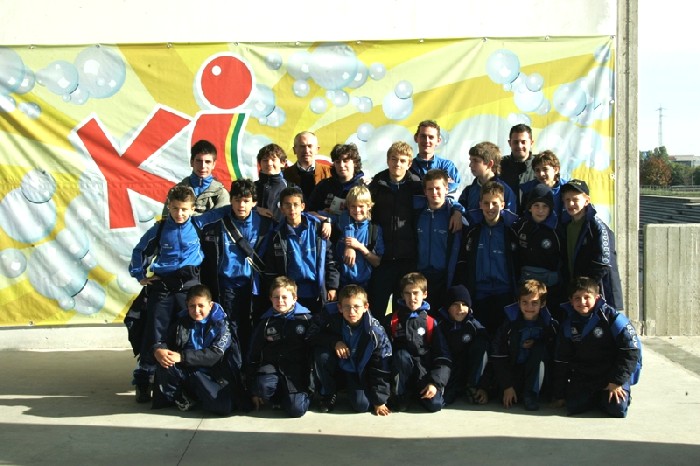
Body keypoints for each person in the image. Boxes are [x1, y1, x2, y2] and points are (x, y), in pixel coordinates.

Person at [129, 185, 203, 402]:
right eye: (175, 208)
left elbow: (231, 211)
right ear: (168, 207)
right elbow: (140, 250)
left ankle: (186, 379)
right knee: (154, 334)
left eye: (184, 209)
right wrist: (140, 275)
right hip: (162, 288)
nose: (179, 214)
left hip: (189, 288)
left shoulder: (200, 225)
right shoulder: (159, 229)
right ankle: (144, 379)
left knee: (188, 334)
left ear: (192, 209)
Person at [197, 179, 273, 359]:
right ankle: (236, 367)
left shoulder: (265, 224)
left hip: (255, 287)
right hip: (227, 286)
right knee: (231, 327)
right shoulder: (218, 223)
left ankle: (251, 364)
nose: (241, 205)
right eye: (237, 200)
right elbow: (194, 222)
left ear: (254, 202)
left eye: (246, 201)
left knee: (255, 326)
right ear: (231, 200)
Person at [552, 276, 641, 418]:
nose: (582, 302)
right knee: (573, 407)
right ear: (570, 300)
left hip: (611, 374)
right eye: (577, 298)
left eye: (587, 297)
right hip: (586, 376)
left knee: (617, 410)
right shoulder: (568, 324)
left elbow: (630, 351)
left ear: (597, 298)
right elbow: (562, 359)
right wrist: (559, 394)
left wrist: (616, 381)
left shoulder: (613, 318)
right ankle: (597, 396)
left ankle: (616, 393)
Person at [152, 285, 237, 415]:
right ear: (187, 305)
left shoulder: (222, 324)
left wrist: (182, 357)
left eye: (201, 306)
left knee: (222, 408)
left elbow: (215, 355)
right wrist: (158, 350)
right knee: (165, 362)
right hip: (187, 371)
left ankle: (201, 396)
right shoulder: (181, 321)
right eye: (192, 306)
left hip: (211, 374)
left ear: (210, 305)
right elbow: (163, 341)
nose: (196, 310)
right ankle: (180, 397)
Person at [307, 285, 393, 415]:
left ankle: (350, 387)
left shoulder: (375, 332)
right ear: (339, 307)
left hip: (358, 371)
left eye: (356, 307)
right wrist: (333, 342)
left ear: (366, 307)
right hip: (336, 365)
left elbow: (380, 366)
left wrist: (379, 400)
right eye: (346, 307)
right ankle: (328, 393)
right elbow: (310, 336)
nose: (351, 312)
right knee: (322, 355)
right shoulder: (329, 315)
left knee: (361, 406)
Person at [455, 181, 519, 336]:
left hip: (504, 292)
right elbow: (464, 262)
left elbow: (518, 263)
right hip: (480, 293)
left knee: (502, 336)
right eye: (486, 203)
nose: (490, 208)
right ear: (480, 204)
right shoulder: (473, 231)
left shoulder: (512, 231)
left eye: (494, 203)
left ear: (503, 205)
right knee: (482, 335)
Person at [264, 186, 339, 314]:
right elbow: (272, 268)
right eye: (287, 205)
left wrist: (332, 286)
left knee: (318, 328)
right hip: (290, 294)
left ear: (303, 206)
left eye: (295, 205)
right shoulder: (276, 235)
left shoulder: (318, 229)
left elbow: (330, 259)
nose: (292, 209)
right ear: (281, 208)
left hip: (318, 291)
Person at [247, 276, 313, 418]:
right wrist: (253, 390)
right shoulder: (265, 322)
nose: (280, 301)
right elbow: (254, 352)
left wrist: (312, 382)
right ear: (270, 298)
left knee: (296, 410)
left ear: (294, 298)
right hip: (272, 367)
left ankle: (301, 395)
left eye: (284, 297)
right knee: (262, 388)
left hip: (296, 370)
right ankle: (278, 395)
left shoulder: (306, 320)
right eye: (276, 297)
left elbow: (314, 350)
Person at [387, 272, 451, 413]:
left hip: (424, 374)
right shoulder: (393, 320)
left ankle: (420, 393)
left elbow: (443, 357)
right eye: (407, 293)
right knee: (401, 355)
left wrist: (435, 383)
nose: (412, 298)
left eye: (416, 293)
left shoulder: (431, 323)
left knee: (435, 405)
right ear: (402, 295)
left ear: (425, 294)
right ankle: (401, 394)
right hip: (402, 372)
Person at [491, 279, 558, 411]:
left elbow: (556, 353)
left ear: (542, 304)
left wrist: (537, 343)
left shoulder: (549, 325)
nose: (529, 307)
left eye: (534, 303)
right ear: (518, 302)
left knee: (539, 350)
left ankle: (531, 395)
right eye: (525, 302)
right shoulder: (509, 324)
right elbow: (498, 355)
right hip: (514, 372)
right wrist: (507, 386)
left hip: (539, 375)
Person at [558, 179, 624, 310]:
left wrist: (585, 287)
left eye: (575, 200)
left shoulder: (597, 227)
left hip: (597, 294)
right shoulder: (566, 226)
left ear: (586, 200)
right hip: (576, 293)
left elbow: (604, 262)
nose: (571, 204)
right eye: (567, 200)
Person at [512, 183, 565, 321]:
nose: (540, 210)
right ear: (530, 207)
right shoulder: (521, 226)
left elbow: (563, 258)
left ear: (550, 209)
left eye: (545, 206)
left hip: (549, 288)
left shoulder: (557, 230)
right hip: (526, 286)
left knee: (548, 321)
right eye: (536, 205)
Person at [415, 169, 463, 313]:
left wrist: (459, 210)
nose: (434, 192)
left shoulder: (454, 215)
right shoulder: (417, 213)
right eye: (430, 189)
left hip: (444, 276)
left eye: (438, 188)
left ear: (446, 189)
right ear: (425, 191)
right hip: (421, 276)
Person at [436, 285, 489, 405]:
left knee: (482, 344)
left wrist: (484, 386)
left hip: (468, 368)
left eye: (464, 304)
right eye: (455, 304)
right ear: (448, 307)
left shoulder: (474, 326)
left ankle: (473, 386)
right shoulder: (439, 326)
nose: (460, 308)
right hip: (448, 369)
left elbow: (486, 358)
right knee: (444, 401)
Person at [331, 185, 384, 289]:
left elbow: (377, 262)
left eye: (361, 206)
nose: (357, 210)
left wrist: (359, 247)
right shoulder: (342, 223)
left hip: (365, 284)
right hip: (341, 283)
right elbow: (327, 217)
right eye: (353, 206)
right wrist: (326, 221)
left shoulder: (374, 230)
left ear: (369, 206)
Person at [163, 139, 229, 216]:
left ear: (214, 164)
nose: (203, 166)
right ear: (191, 162)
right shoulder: (176, 191)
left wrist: (189, 214)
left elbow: (219, 221)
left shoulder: (221, 193)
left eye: (208, 162)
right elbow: (166, 221)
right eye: (199, 161)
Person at [307, 142, 366, 224]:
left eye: (345, 161)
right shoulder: (324, 186)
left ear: (355, 163)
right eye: (338, 162)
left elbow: (370, 216)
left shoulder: (363, 188)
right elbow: (308, 211)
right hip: (325, 234)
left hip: (353, 234)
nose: (341, 165)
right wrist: (322, 216)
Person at [458, 141, 516, 214]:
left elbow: (510, 219)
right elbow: (462, 214)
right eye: (471, 160)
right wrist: (457, 212)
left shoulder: (505, 191)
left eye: (475, 161)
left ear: (490, 164)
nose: (470, 165)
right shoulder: (468, 191)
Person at [409, 120, 461, 195]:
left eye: (431, 137)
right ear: (416, 138)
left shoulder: (447, 166)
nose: (427, 141)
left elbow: (454, 188)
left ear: (438, 141)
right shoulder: (408, 166)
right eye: (423, 136)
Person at [283, 131, 332, 201]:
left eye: (310, 146)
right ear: (294, 150)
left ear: (317, 149)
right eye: (302, 146)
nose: (306, 150)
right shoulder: (285, 174)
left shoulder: (329, 173)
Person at [519, 150, 567, 217]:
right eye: (537, 170)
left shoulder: (566, 189)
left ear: (556, 170)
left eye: (545, 169)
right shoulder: (528, 190)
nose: (541, 174)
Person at [501, 124, 536, 210]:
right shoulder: (500, 165)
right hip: (506, 221)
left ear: (531, 143)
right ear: (509, 143)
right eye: (515, 142)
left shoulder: (540, 166)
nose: (519, 146)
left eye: (523, 142)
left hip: (533, 221)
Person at [254, 143, 291, 222]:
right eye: (265, 160)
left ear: (283, 163)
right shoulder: (251, 187)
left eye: (273, 159)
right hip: (253, 232)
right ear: (259, 163)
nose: (269, 163)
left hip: (280, 232)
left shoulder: (290, 188)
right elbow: (236, 207)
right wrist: (257, 209)